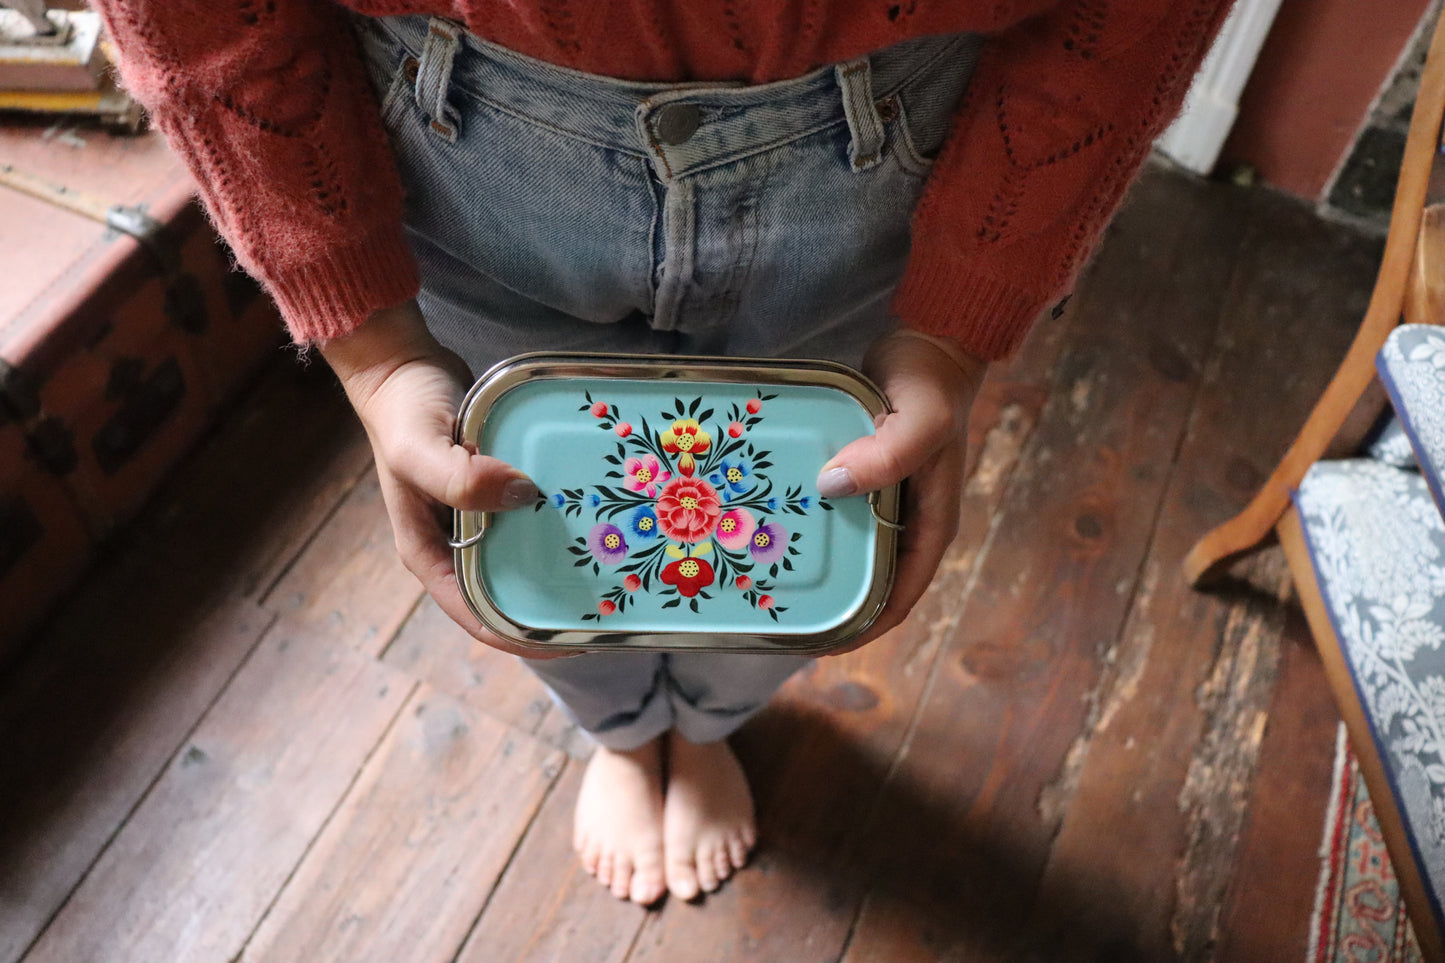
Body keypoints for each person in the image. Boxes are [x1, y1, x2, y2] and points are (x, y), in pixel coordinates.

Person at [93, 0, 1232, 906]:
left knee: (800, 543)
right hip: (458, 146)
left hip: (887, 157)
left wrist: (953, 325)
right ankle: (622, 732)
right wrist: (373, 345)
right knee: (537, 534)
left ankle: (714, 718)